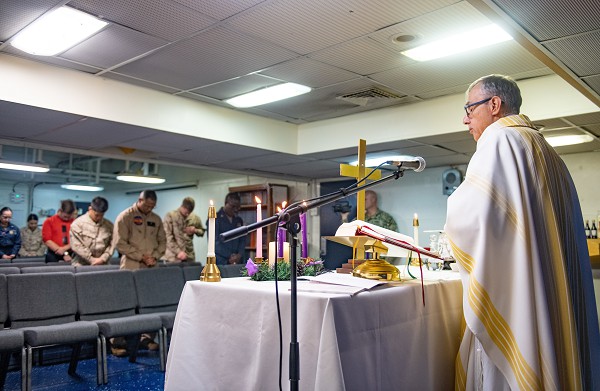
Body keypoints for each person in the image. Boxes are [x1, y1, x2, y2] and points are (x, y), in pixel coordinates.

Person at [444, 74, 599, 390]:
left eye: (469, 110)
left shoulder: (500, 142)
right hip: (553, 289)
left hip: (523, 298)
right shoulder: (544, 148)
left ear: (494, 105)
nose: (465, 120)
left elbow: (472, 219)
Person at [112, 190, 165, 356]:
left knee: (151, 303)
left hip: (151, 268)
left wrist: (154, 257)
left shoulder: (156, 219)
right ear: (139, 200)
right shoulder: (125, 217)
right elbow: (120, 243)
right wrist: (141, 256)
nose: (149, 208)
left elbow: (163, 242)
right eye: (147, 205)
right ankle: (117, 341)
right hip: (131, 265)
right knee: (125, 304)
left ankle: (146, 338)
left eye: (152, 206)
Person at [70, 196, 114, 266]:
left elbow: (112, 244)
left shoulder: (109, 226)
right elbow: (77, 246)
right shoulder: (78, 224)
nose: (99, 217)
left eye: (101, 215)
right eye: (96, 215)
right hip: (82, 263)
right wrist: (91, 259)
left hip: (103, 263)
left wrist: (103, 259)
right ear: (90, 208)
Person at [163, 197, 205, 263]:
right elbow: (167, 237)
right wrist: (178, 252)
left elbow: (202, 232)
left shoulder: (195, 218)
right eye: (186, 212)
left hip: (189, 255)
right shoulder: (171, 216)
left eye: (190, 212)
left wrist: (195, 230)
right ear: (182, 206)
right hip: (173, 257)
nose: (187, 214)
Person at [213, 192, 244, 265]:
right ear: (226, 203)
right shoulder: (215, 218)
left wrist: (239, 255)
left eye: (238, 207)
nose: (236, 210)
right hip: (221, 261)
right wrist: (230, 256)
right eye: (233, 206)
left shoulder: (238, 220)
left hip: (237, 261)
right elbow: (215, 242)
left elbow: (242, 240)